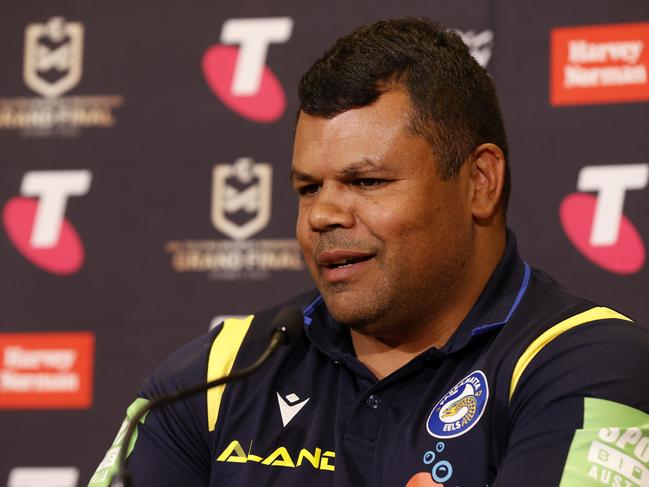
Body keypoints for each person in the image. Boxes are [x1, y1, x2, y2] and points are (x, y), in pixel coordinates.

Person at [89, 18, 649, 487]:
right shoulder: (219, 372)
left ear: (479, 181)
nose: (321, 215)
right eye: (308, 188)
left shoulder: (592, 364)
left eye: (367, 181)